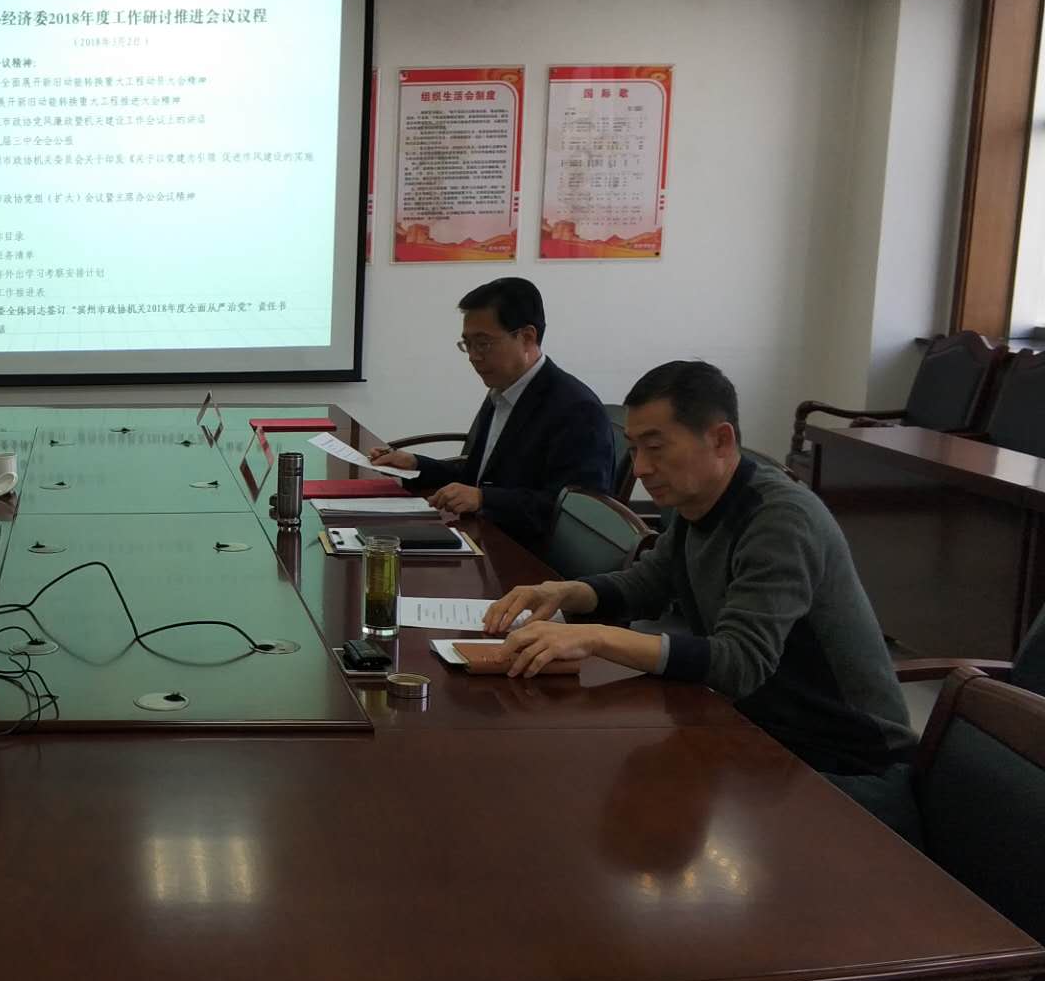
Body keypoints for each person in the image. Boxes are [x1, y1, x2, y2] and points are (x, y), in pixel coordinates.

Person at [482, 360, 919, 838]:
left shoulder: (779, 519)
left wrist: (597, 639)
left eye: (655, 448)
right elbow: (649, 583)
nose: (640, 469)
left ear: (721, 440)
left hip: (847, 769)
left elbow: (740, 662)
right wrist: (565, 592)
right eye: (634, 449)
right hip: (759, 738)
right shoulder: (699, 502)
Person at [367, 277, 613, 549]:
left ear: (527, 337)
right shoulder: (502, 390)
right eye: (467, 344)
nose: (473, 356)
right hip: (486, 535)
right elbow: (480, 474)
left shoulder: (576, 410)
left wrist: (484, 499)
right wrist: (416, 465)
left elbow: (575, 514)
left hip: (529, 557)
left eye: (483, 343)